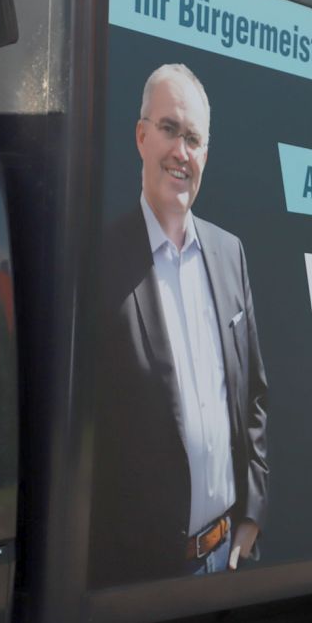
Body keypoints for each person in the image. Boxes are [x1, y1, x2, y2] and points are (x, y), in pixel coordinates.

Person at [90, 63, 269, 587]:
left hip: (223, 558)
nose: (180, 152)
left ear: (205, 155)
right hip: (138, 573)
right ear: (142, 136)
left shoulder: (228, 253)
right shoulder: (100, 260)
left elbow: (253, 393)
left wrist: (252, 513)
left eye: (193, 138)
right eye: (169, 129)